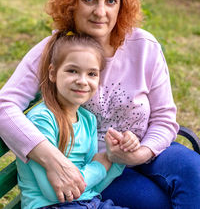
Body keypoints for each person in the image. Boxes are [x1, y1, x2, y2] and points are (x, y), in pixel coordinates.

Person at [0, 0, 200, 209]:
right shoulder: (53, 50)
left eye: (111, 1)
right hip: (96, 167)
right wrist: (52, 159)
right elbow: (4, 106)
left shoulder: (144, 46)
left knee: (195, 175)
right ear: (73, 2)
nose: (100, 11)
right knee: (155, 203)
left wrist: (141, 152)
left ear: (121, 5)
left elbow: (163, 118)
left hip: (147, 149)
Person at [16, 32, 140, 209]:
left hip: (89, 202)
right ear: (53, 73)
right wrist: (100, 165)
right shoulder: (42, 120)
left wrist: (117, 157)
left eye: (91, 74)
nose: (82, 81)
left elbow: (95, 187)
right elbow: (56, 192)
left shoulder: (88, 119)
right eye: (72, 71)